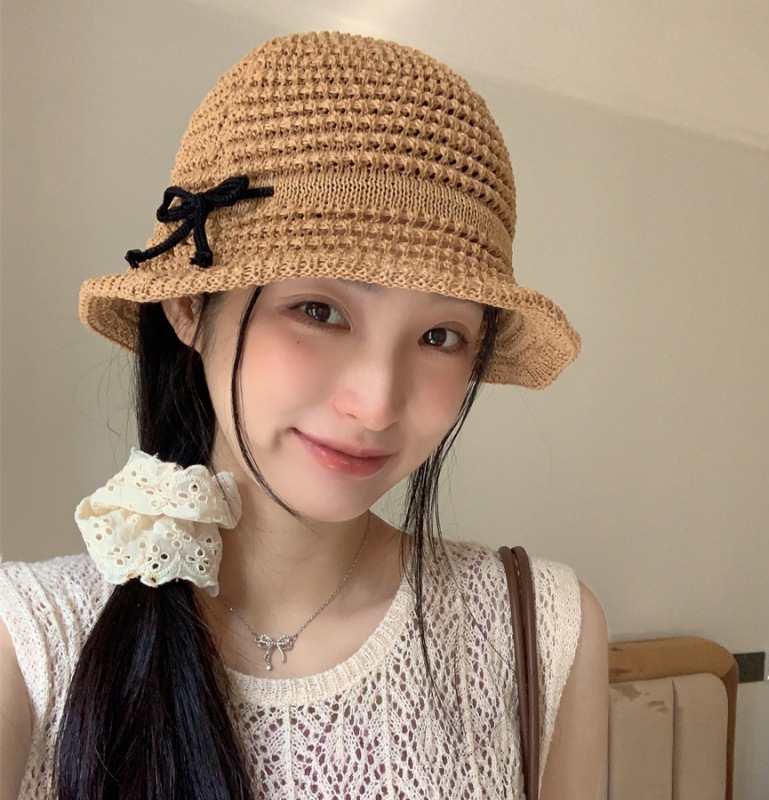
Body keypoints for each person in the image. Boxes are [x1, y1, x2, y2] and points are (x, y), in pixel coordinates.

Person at [0, 31, 607, 799]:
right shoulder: (30, 645)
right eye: (319, 310)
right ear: (190, 307)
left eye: (440, 336)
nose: (376, 403)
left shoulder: (543, 631)